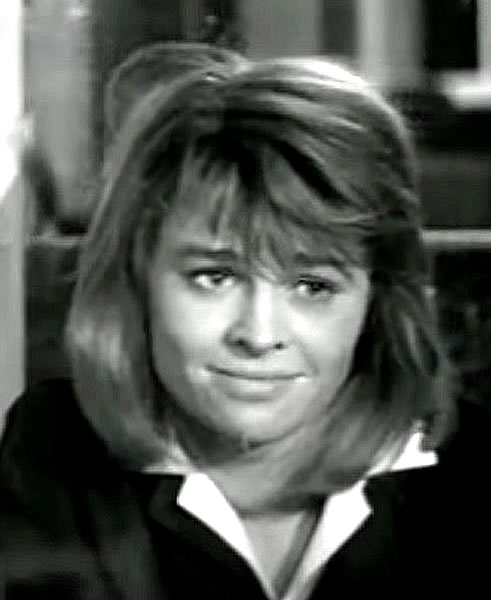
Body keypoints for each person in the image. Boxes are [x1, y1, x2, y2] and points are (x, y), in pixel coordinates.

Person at [0, 42, 489, 600]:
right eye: (215, 277)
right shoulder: (56, 458)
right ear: (139, 275)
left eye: (313, 287)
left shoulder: (468, 472)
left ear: (377, 300)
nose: (258, 336)